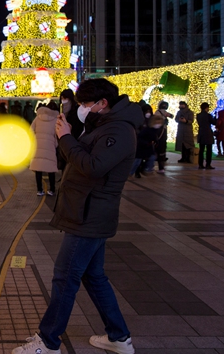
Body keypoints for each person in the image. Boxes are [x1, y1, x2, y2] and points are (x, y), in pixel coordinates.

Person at [14, 78, 141, 354]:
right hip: (87, 210)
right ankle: (119, 337)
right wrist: (71, 134)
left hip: (90, 214)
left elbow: (92, 166)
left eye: (85, 103)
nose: (82, 108)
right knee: (93, 276)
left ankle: (48, 342)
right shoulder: (104, 125)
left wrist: (67, 138)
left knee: (65, 277)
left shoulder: (118, 130)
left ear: (103, 103)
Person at [30, 101, 59, 196]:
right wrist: (55, 144)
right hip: (50, 146)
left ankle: (39, 190)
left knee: (38, 169)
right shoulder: (55, 120)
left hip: (38, 145)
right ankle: (52, 190)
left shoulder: (37, 118)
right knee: (50, 168)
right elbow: (58, 134)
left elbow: (31, 131)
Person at [131, 113, 164, 178]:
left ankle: (146, 170)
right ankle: (130, 173)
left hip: (148, 147)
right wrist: (146, 143)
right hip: (141, 147)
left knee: (152, 157)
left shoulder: (156, 130)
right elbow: (140, 137)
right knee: (137, 161)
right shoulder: (147, 130)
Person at [154, 101, 173, 171]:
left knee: (162, 148)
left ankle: (161, 164)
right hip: (159, 132)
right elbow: (155, 121)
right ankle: (159, 165)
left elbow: (171, 116)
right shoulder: (158, 112)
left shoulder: (163, 112)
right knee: (159, 148)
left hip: (163, 132)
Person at [196, 102, 216, 169]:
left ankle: (200, 164)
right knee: (209, 150)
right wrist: (215, 118)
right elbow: (214, 122)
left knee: (201, 150)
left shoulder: (198, 115)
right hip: (208, 133)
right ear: (206, 108)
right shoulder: (208, 116)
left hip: (201, 133)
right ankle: (208, 164)